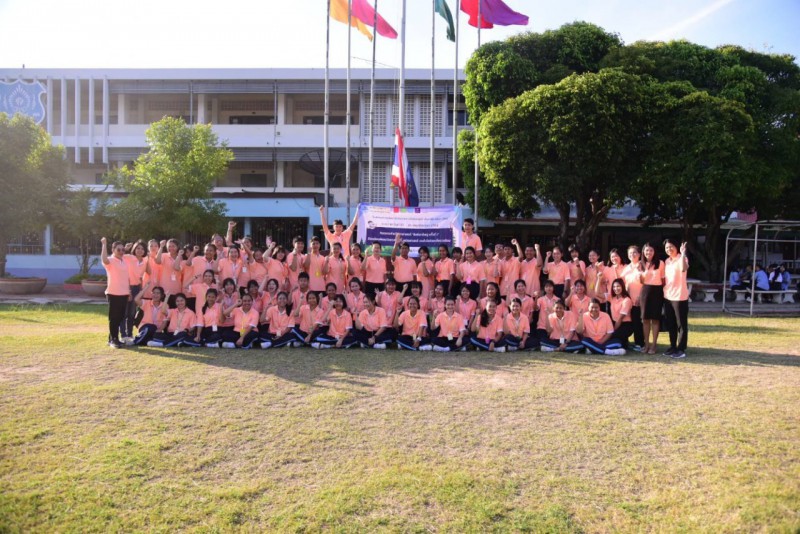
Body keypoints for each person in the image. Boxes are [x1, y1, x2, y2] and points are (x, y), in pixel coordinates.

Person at [101, 237, 131, 348]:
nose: (121, 252)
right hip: (113, 293)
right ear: (113, 250)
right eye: (118, 249)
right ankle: (114, 339)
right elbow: (104, 259)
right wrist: (104, 244)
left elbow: (126, 278)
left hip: (124, 293)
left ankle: (112, 338)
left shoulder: (123, 261)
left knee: (120, 317)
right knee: (114, 318)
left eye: (123, 250)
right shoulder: (111, 260)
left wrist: (128, 292)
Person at [663, 239, 689, 358]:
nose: (669, 249)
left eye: (671, 247)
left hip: (679, 296)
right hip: (668, 296)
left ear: (676, 247)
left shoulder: (681, 258)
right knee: (671, 323)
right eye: (667, 248)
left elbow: (683, 268)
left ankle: (681, 349)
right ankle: (673, 346)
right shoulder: (667, 261)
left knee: (681, 324)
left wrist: (683, 254)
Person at [639, 243, 665, 355]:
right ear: (643, 252)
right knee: (645, 319)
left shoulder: (660, 263)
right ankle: (646, 344)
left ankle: (654, 345)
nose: (648, 252)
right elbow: (641, 281)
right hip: (645, 291)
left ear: (654, 252)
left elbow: (663, 280)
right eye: (646, 250)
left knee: (655, 319)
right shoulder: (641, 263)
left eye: (651, 250)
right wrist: (644, 274)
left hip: (657, 291)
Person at [122, 240, 148, 344]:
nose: (140, 250)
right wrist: (125, 248)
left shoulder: (144, 261)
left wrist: (141, 290)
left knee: (132, 313)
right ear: (134, 249)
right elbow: (118, 257)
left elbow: (143, 276)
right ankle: (123, 335)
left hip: (137, 288)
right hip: (126, 287)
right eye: (138, 248)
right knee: (124, 313)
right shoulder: (129, 257)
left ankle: (130, 334)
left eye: (142, 249)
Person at [621, 245, 645, 351]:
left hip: (639, 299)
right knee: (629, 322)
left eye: (634, 252)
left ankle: (640, 343)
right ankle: (627, 342)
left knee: (638, 322)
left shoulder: (642, 266)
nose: (632, 255)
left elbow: (646, 283)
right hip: (628, 300)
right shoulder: (627, 268)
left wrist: (640, 296)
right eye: (630, 253)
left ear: (639, 254)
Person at [609, 278, 634, 349]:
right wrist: (599, 279)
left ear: (622, 286)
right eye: (614, 287)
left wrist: (613, 331)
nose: (616, 288)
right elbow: (597, 293)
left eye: (618, 286)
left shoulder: (627, 300)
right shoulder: (612, 298)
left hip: (625, 325)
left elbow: (620, 319)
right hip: (615, 323)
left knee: (610, 337)